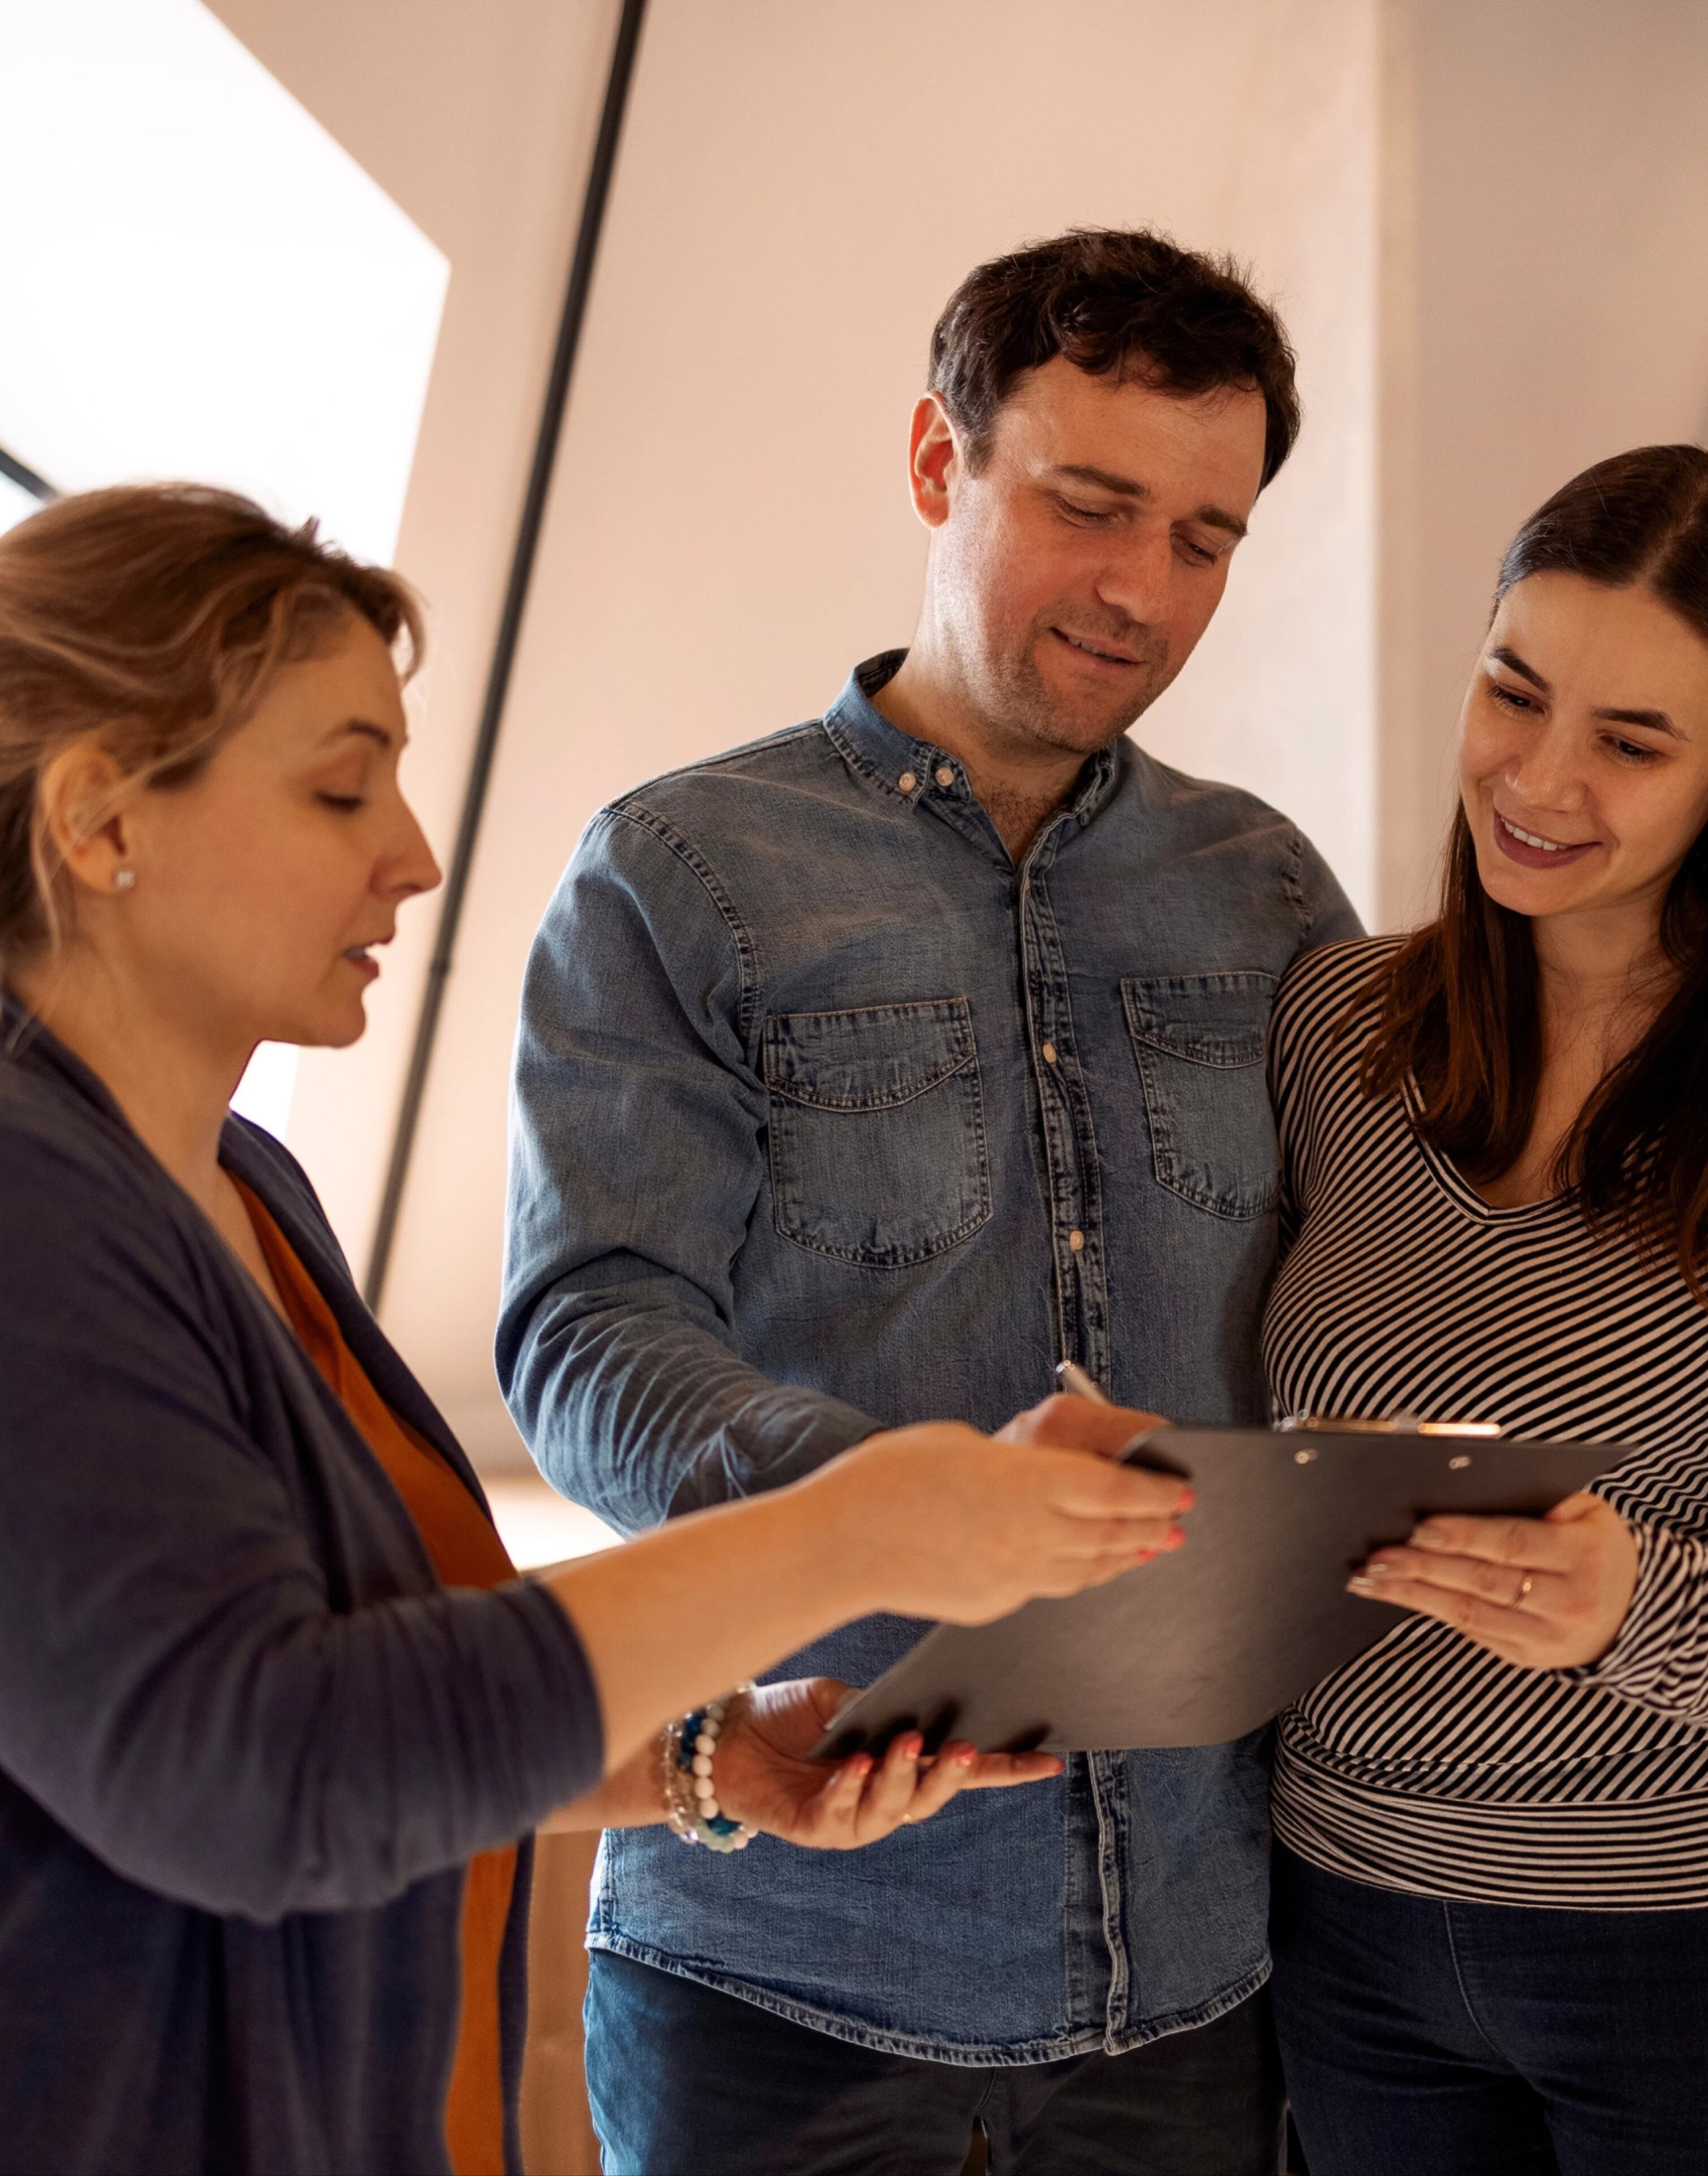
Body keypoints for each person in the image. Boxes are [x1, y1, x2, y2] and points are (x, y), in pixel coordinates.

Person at [0, 484, 1195, 2176]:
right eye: (340, 785)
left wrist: (709, 1762)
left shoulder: (242, 1188)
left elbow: (393, 1678)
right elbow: (271, 1766)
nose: (412, 854)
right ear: (96, 818)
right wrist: (859, 1530)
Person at [499, 228, 1361, 2174]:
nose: (1141, 588)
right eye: (1088, 505)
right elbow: (587, 1337)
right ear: (932, 461)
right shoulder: (676, 871)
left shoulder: (1277, 897)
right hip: (785, 1963)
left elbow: (1370, 1306)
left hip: (1204, 1966)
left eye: (1206, 539)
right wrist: (922, 1526)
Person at [1260, 445, 1708, 2175]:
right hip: (1345, 1931)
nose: (1538, 778)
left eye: (1632, 742)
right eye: (1514, 692)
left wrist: (1632, 1604)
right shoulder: (1336, 1029)